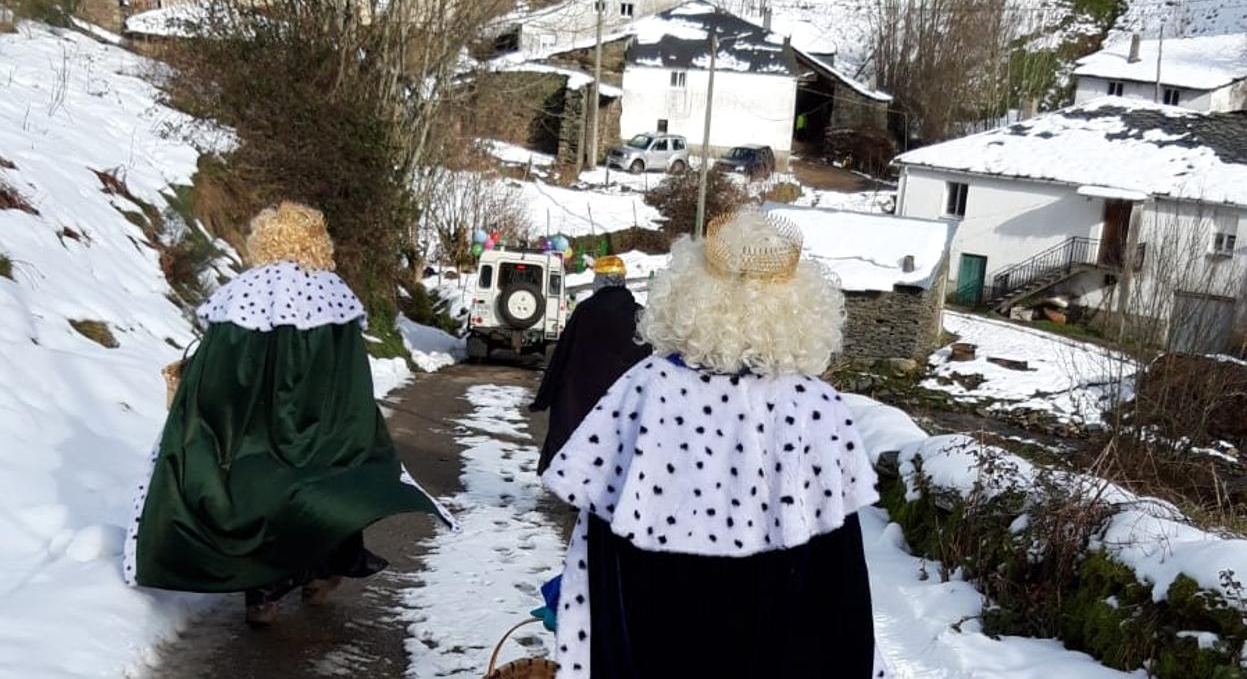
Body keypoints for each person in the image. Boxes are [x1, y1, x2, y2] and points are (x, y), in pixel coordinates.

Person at [541, 211, 890, 678]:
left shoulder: (642, 390)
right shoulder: (816, 409)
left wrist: (579, 649)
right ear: (800, 305)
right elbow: (840, 592)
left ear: (688, 292)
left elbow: (594, 558)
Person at [123, 202, 456, 625]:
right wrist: (351, 428)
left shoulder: (242, 293)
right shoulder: (333, 295)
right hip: (318, 429)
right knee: (326, 488)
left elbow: (218, 373)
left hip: (253, 429)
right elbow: (350, 378)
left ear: (262, 239)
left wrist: (205, 416)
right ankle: (323, 569)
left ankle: (262, 592)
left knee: (250, 493)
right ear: (318, 242)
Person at [531, 255, 652, 475]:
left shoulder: (585, 311)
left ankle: (574, 490)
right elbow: (648, 360)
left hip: (579, 396)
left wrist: (544, 398)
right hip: (622, 398)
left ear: (600, 280)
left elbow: (562, 355)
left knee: (578, 443)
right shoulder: (639, 315)